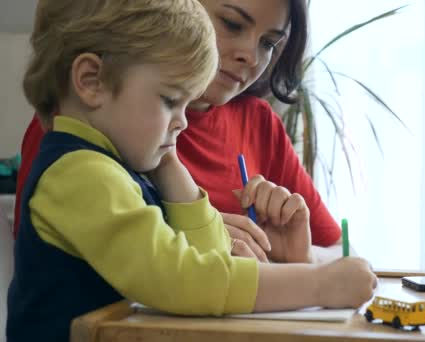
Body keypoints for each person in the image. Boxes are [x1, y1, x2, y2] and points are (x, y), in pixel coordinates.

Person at [6, 1, 377, 341]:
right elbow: (177, 278)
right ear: (91, 81)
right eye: (171, 101)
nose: (183, 122)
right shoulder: (80, 172)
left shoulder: (119, 162)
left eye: (187, 102)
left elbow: (209, 250)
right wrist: (317, 284)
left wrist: (169, 166)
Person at [14, 0, 345, 264]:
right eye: (232, 23)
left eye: (269, 43)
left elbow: (341, 251)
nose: (250, 55)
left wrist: (299, 256)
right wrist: (200, 239)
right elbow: (49, 257)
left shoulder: (260, 123)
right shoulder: (86, 119)